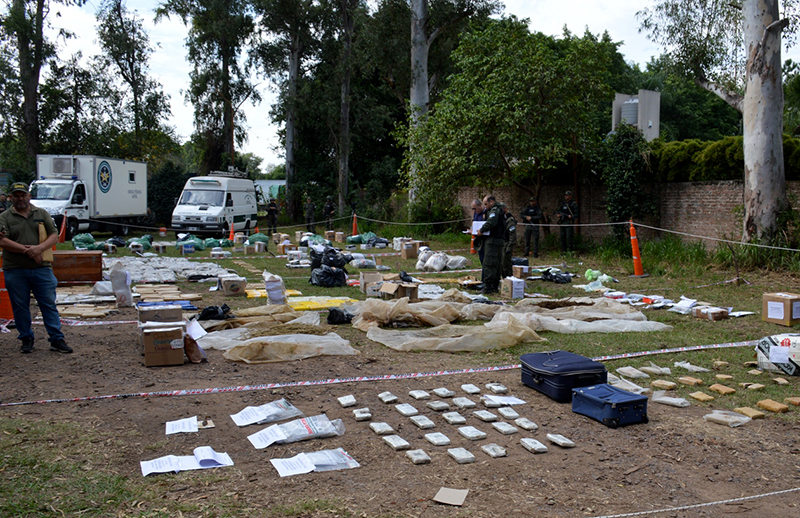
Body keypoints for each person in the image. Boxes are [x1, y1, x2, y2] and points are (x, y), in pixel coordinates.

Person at [0, 182, 71, 354]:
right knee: (20, 306)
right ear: (10, 198)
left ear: (29, 196)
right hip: (15, 269)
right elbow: (2, 241)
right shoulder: (4, 217)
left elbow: (54, 235)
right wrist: (28, 251)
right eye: (16, 196)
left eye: (23, 195)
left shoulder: (41, 213)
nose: (20, 199)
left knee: (48, 304)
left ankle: (56, 339)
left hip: (42, 268)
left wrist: (38, 249)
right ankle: (26, 338)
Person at [476, 195, 504, 294]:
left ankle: (488, 287)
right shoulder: (500, 209)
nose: (485, 206)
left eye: (486, 204)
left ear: (491, 202)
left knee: (489, 263)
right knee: (496, 264)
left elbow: (492, 221)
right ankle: (494, 286)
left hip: (492, 240)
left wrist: (482, 230)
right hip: (499, 240)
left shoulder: (494, 210)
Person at [500, 203, 517, 279]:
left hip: (507, 244)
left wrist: (509, 247)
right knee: (501, 263)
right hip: (502, 243)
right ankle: (504, 278)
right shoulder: (503, 218)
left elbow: (512, 236)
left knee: (505, 263)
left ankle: (509, 278)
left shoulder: (510, 219)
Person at [471, 198, 485, 265]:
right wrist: (471, 229)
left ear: (480, 205)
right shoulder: (476, 213)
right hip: (478, 238)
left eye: (475, 208)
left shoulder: (485, 213)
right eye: (472, 209)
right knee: (481, 257)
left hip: (484, 238)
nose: (474, 210)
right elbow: (473, 222)